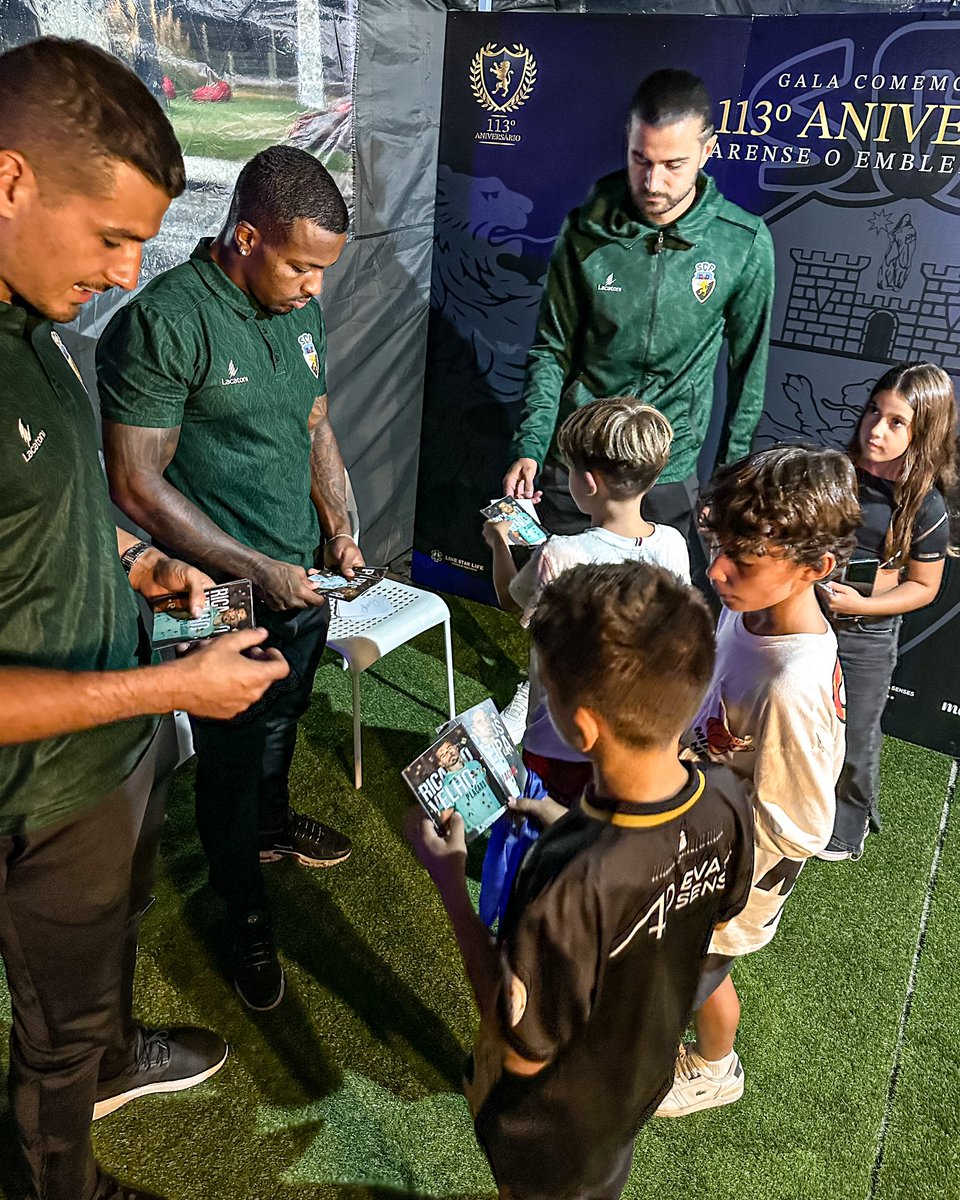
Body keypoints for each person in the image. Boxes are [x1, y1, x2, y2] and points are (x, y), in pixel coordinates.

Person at [0, 37, 290, 1200]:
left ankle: (112, 1055)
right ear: (10, 181)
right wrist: (172, 689)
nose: (127, 274)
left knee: (98, 979)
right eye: (111, 236)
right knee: (53, 1044)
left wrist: (131, 562)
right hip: (40, 792)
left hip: (104, 761)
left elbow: (46, 512)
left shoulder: (36, 325)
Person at [98, 145, 360, 1012]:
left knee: (285, 713)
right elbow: (135, 482)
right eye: (299, 265)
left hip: (298, 577)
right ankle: (242, 911)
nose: (312, 286)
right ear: (244, 236)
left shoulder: (299, 312)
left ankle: (274, 826)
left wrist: (339, 529)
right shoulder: (166, 322)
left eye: (322, 269)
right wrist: (257, 569)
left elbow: (315, 423)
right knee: (229, 760)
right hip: (214, 595)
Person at [410, 562, 754, 1199]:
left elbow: (521, 1043)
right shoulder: (726, 798)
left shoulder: (567, 886)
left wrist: (452, 882)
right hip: (636, 1081)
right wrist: (570, 823)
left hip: (550, 1128)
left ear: (582, 726)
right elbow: (701, 896)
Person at [655, 445, 859, 1118]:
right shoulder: (749, 609)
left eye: (743, 558)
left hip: (732, 877)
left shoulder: (793, 685)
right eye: (720, 546)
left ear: (816, 568)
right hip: (697, 841)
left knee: (694, 972)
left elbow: (801, 829)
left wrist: (691, 795)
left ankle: (712, 1069)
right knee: (690, 967)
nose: (716, 570)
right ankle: (711, 1061)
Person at [502, 68, 774, 551]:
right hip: (580, 463)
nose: (653, 181)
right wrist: (531, 445)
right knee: (560, 609)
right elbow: (552, 349)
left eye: (673, 164)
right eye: (640, 160)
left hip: (667, 469)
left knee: (653, 616)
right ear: (627, 142)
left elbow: (747, 373)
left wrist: (731, 477)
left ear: (706, 152)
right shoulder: (585, 230)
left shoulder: (743, 243)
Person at [484, 397, 689, 804]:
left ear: (588, 483)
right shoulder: (674, 543)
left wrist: (498, 543)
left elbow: (511, 599)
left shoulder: (560, 554)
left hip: (559, 741)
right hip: (635, 735)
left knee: (545, 827)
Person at [819, 363, 958, 861]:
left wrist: (864, 604)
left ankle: (847, 826)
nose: (876, 430)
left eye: (896, 422)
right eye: (874, 412)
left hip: (865, 634)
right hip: (805, 619)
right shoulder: (831, 469)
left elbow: (924, 587)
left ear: (925, 431)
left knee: (856, 731)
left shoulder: (927, 507)